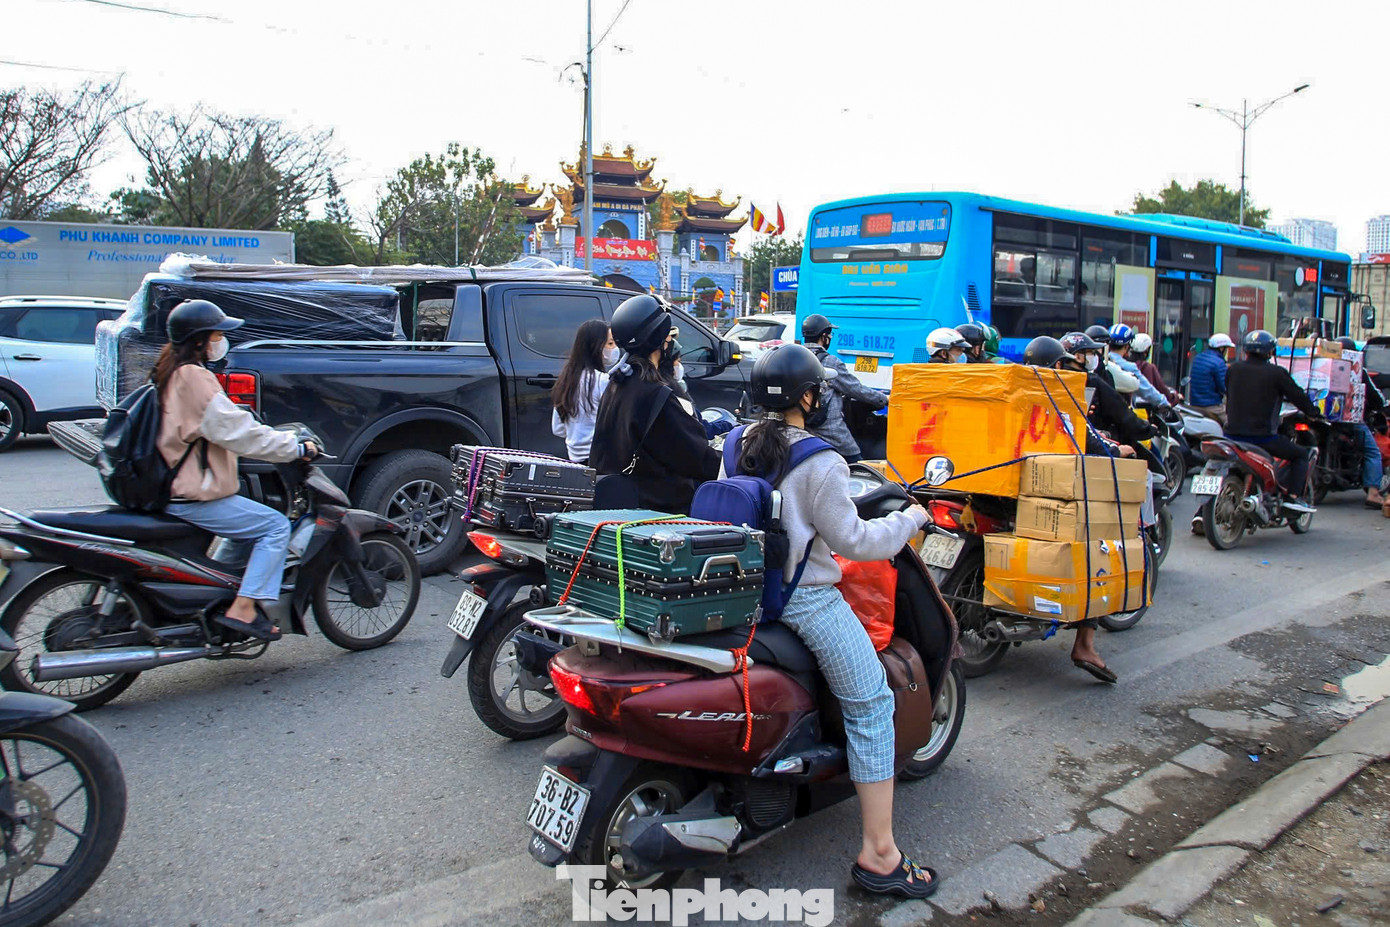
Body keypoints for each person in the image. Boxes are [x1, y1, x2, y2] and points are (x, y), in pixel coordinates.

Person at [723, 342, 938, 898]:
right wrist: (912, 519)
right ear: (811, 397)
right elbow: (856, 542)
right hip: (803, 601)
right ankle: (881, 854)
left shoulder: (733, 443)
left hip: (741, 593)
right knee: (872, 703)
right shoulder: (821, 460)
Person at [155, 299, 316, 642]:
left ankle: (223, 594)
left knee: (246, 520)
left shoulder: (167, 370)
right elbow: (239, 432)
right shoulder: (194, 377)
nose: (221, 340)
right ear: (200, 340)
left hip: (174, 485)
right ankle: (243, 608)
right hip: (190, 494)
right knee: (274, 526)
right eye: (216, 334)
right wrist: (295, 447)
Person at [1019, 335, 1122, 683]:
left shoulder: (1015, 390)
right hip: (1049, 489)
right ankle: (1085, 644)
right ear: (1059, 365)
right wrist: (1117, 452)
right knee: (1098, 550)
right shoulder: (1057, 395)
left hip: (1004, 484)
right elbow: (1086, 438)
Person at [591, 294, 720, 513]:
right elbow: (698, 458)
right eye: (668, 336)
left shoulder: (617, 384)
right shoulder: (656, 394)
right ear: (659, 338)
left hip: (616, 508)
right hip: (656, 515)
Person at [1224, 329, 1321, 506]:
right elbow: (1297, 396)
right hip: (1262, 438)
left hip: (1230, 436)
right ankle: (1293, 498)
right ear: (1270, 352)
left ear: (1246, 350)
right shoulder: (1277, 373)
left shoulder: (1233, 369)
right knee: (1300, 455)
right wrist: (1313, 413)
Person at [1057, 332, 1156, 463]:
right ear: (1078, 357)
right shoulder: (1090, 380)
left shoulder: (1054, 382)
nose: (1095, 356)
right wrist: (1147, 429)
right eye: (1091, 352)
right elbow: (1121, 413)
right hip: (1095, 453)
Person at [801, 313, 888, 462]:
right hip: (828, 430)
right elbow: (856, 389)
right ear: (824, 337)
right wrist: (883, 399)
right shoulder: (830, 362)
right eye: (830, 335)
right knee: (856, 461)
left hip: (803, 427)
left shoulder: (797, 357)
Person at [551, 319, 616, 464]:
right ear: (597, 347)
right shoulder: (602, 380)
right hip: (601, 460)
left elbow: (558, 429)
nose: (615, 348)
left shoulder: (566, 380)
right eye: (610, 343)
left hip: (574, 459)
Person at [1335, 337, 1386, 508]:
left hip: (1320, 419)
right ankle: (1373, 493)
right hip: (1349, 419)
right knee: (1373, 453)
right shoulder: (1357, 370)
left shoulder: (1323, 366)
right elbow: (1376, 398)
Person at [1107, 324, 1171, 409]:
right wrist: (1164, 403)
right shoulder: (1129, 367)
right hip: (1120, 415)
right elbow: (1147, 391)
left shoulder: (1101, 361)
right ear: (1127, 346)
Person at [1190, 334, 1235, 425]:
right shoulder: (1219, 363)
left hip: (1194, 405)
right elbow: (1224, 388)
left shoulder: (1198, 358)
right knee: (1233, 424)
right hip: (1212, 407)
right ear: (1222, 348)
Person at [1131, 333, 1182, 405]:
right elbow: (1161, 389)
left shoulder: (1125, 365)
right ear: (1146, 351)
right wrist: (1175, 397)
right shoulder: (1148, 367)